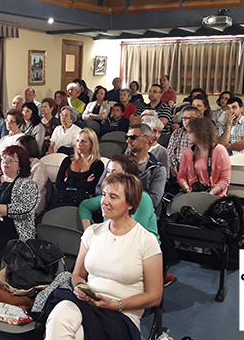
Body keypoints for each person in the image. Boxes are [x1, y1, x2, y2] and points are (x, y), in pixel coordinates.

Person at [45, 173, 162, 340]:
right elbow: (77, 275)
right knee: (59, 315)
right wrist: (79, 287)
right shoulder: (92, 232)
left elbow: (155, 296)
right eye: (104, 194)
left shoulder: (146, 240)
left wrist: (117, 304)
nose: (105, 201)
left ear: (129, 204)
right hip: (86, 303)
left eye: (113, 196)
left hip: (121, 314)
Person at [79, 154, 158, 243]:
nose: (108, 176)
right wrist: (87, 231)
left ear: (128, 175)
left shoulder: (142, 198)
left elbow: (133, 236)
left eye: (114, 172)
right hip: (114, 243)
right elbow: (85, 205)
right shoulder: (107, 196)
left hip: (142, 250)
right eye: (108, 171)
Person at [178, 117, 231, 198]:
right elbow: (181, 176)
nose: (187, 135)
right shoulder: (188, 152)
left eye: (190, 132)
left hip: (215, 195)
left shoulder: (220, 151)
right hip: (191, 193)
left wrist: (209, 194)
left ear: (201, 133)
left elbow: (225, 180)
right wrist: (187, 189)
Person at [55, 128, 105, 206]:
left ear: (92, 144)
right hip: (63, 198)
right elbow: (58, 184)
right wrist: (83, 182)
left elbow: (91, 188)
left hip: (84, 203)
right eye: (77, 141)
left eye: (84, 141)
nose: (79, 144)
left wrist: (68, 180)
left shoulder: (97, 164)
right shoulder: (67, 160)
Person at [125, 124, 166, 208]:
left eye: (133, 137)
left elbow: (153, 201)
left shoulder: (158, 169)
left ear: (147, 139)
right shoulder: (118, 162)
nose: (128, 141)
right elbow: (100, 188)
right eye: (127, 137)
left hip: (142, 211)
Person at [16, 135, 48, 214]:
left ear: (28, 149)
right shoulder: (16, 163)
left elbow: (34, 189)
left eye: (20, 148)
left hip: (32, 204)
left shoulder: (39, 166)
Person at [167, 106, 200, 179]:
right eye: (184, 118)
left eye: (191, 118)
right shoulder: (177, 133)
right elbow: (170, 153)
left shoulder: (203, 133)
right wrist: (173, 167)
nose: (187, 121)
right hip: (178, 170)